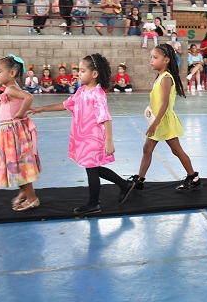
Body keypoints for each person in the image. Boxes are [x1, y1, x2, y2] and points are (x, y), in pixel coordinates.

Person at [30, 54, 135, 216]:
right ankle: (124, 185)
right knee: (93, 167)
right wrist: (41, 108)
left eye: (83, 70)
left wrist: (109, 141)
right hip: (82, 137)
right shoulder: (80, 92)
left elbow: (106, 118)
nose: (78, 73)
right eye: (79, 70)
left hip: (94, 138)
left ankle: (94, 204)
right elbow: (65, 105)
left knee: (91, 169)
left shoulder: (97, 94)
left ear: (94, 74)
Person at [129, 44, 201, 192]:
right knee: (147, 149)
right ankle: (140, 179)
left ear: (166, 60)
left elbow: (164, 103)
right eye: (151, 57)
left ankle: (193, 177)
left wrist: (155, 124)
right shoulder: (160, 77)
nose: (151, 60)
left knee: (177, 151)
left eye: (155, 58)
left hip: (164, 121)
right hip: (158, 120)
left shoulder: (166, 78)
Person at [0, 54, 41, 211]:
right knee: (16, 165)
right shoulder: (9, 89)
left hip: (14, 133)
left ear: (11, 73)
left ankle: (32, 198)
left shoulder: (11, 89)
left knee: (20, 165)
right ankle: (24, 192)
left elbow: (29, 97)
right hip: (9, 132)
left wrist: (20, 113)